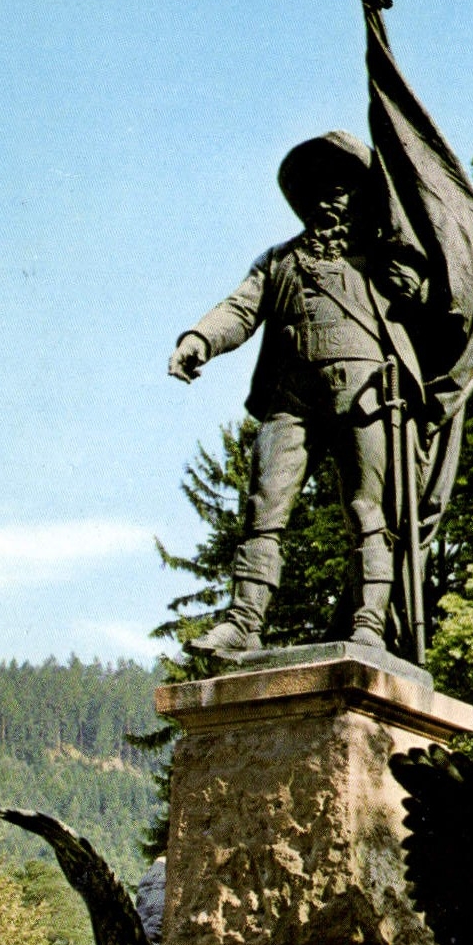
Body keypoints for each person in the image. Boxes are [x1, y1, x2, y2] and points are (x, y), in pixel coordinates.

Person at [168, 129, 430, 660]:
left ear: (362, 195)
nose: (330, 197)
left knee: (367, 511)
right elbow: (239, 310)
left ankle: (369, 627)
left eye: (343, 186)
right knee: (264, 507)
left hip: (367, 396)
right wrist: (198, 338)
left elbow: (433, 297)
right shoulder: (278, 261)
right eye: (320, 188)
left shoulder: (384, 261)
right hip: (291, 398)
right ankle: (244, 622)